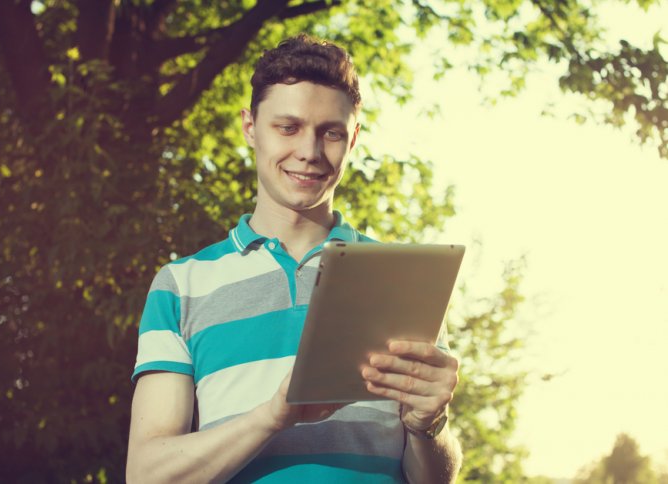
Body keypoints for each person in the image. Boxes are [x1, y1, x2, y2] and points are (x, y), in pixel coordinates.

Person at [126, 34, 462, 483]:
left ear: (354, 137)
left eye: (332, 132)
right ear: (250, 126)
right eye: (288, 127)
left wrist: (429, 426)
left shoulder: (404, 280)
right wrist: (270, 417)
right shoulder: (181, 284)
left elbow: (434, 479)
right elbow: (147, 476)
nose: (309, 151)